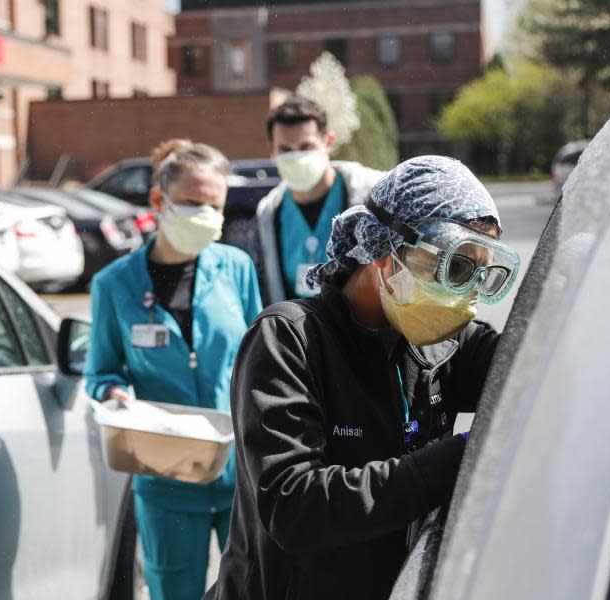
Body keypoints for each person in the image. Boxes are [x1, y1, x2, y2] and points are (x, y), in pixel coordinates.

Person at [208, 156, 520, 600]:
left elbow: (536, 368)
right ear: (387, 252)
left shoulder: (443, 342)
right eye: (454, 268)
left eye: (480, 275)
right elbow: (294, 506)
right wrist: (461, 456)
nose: (467, 296)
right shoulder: (288, 339)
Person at [85, 139, 263, 600]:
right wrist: (114, 395)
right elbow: (101, 373)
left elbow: (261, 360)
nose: (205, 214)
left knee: (250, 588)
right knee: (173, 591)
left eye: (214, 205)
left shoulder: (236, 268)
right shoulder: (114, 284)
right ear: (159, 200)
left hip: (239, 472)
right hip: (165, 477)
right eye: (191, 203)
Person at [257, 95, 386, 305]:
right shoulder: (269, 212)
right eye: (286, 150)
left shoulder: (371, 192)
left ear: (328, 142)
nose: (296, 157)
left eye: (306, 147)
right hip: (299, 332)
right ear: (272, 150)